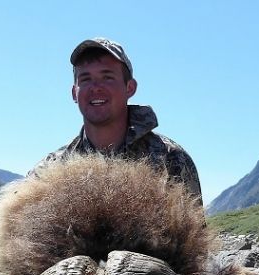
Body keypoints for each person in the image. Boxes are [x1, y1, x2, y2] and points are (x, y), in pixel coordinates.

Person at [34, 37, 202, 200]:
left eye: (107, 77)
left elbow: (192, 228)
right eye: (85, 79)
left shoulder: (171, 160)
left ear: (130, 88)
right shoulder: (49, 172)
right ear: (74, 93)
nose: (95, 88)